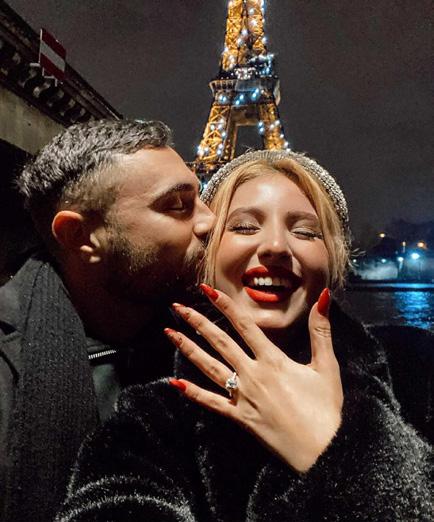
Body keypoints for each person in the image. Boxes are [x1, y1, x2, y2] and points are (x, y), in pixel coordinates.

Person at [57, 150, 432, 521]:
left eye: (305, 232)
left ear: (334, 261)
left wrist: (330, 446)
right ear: (206, 256)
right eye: (244, 227)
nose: (275, 247)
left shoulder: (418, 363)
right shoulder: (149, 424)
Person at [0, 119, 214, 522]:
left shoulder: (212, 343)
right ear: (80, 236)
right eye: (177, 205)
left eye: (200, 198)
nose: (210, 221)